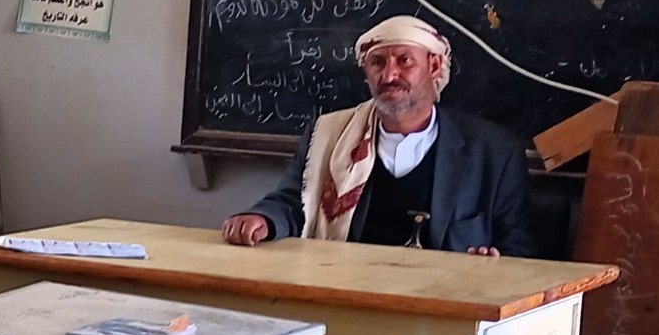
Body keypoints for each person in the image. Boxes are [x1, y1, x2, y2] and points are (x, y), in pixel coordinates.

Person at [221, 14, 532, 256]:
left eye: (405, 61)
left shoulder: (494, 152)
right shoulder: (329, 134)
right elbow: (294, 203)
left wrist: (493, 263)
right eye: (377, 63)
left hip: (446, 301)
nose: (389, 75)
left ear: (435, 65)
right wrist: (262, 219)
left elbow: (517, 248)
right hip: (349, 288)